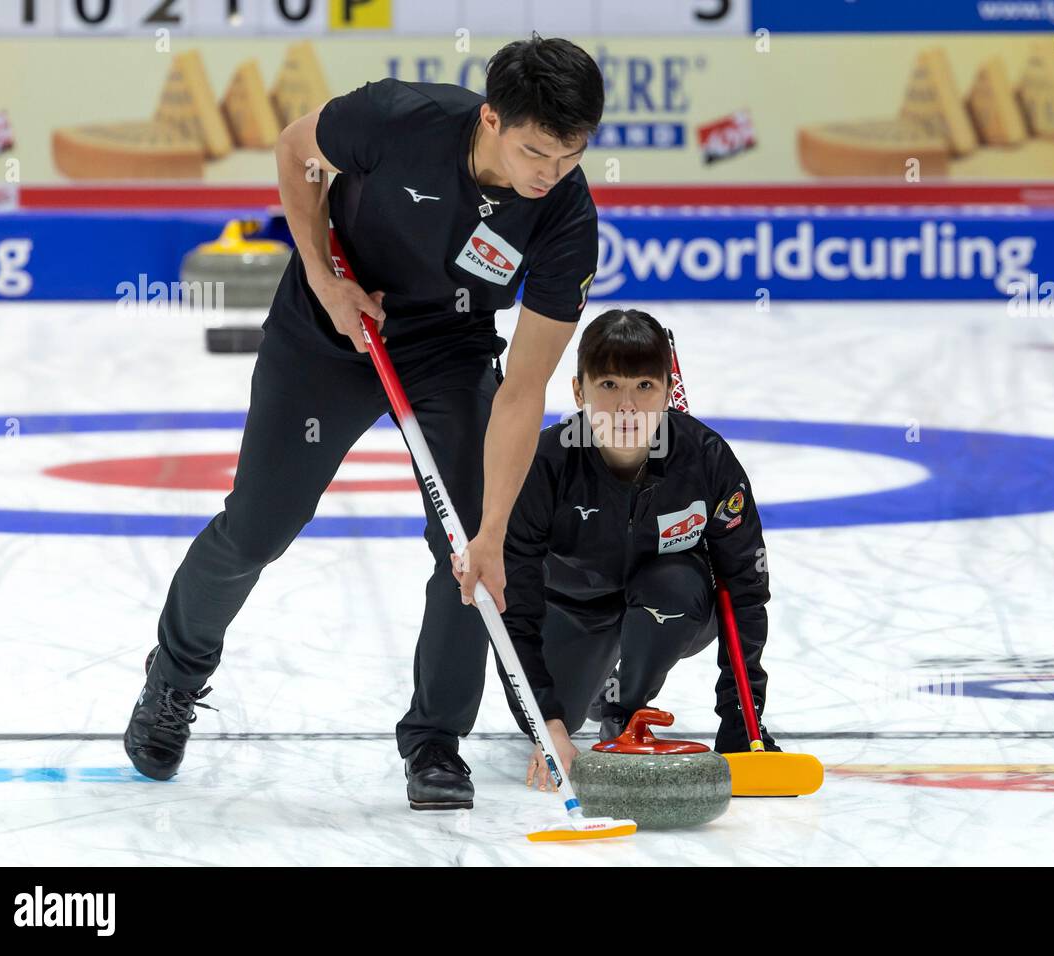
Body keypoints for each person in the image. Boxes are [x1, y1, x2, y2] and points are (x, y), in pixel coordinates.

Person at [125, 35, 604, 813]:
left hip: (449, 348)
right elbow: (296, 152)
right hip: (329, 327)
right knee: (257, 529)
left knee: (467, 550)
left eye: (571, 155)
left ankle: (435, 741)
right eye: (535, 152)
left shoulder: (567, 220)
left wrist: (493, 532)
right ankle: (173, 679)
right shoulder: (399, 118)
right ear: (491, 119)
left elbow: (523, 391)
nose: (550, 174)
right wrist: (323, 278)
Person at [489, 309, 780, 788]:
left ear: (668, 391)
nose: (626, 407)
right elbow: (513, 605)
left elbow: (745, 590)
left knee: (673, 584)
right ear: (578, 391)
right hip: (573, 609)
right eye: (609, 385)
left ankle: (626, 713)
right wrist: (548, 723)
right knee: (564, 714)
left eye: (644, 386)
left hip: (673, 604)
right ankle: (598, 687)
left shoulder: (705, 459)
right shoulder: (545, 464)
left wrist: (739, 720)